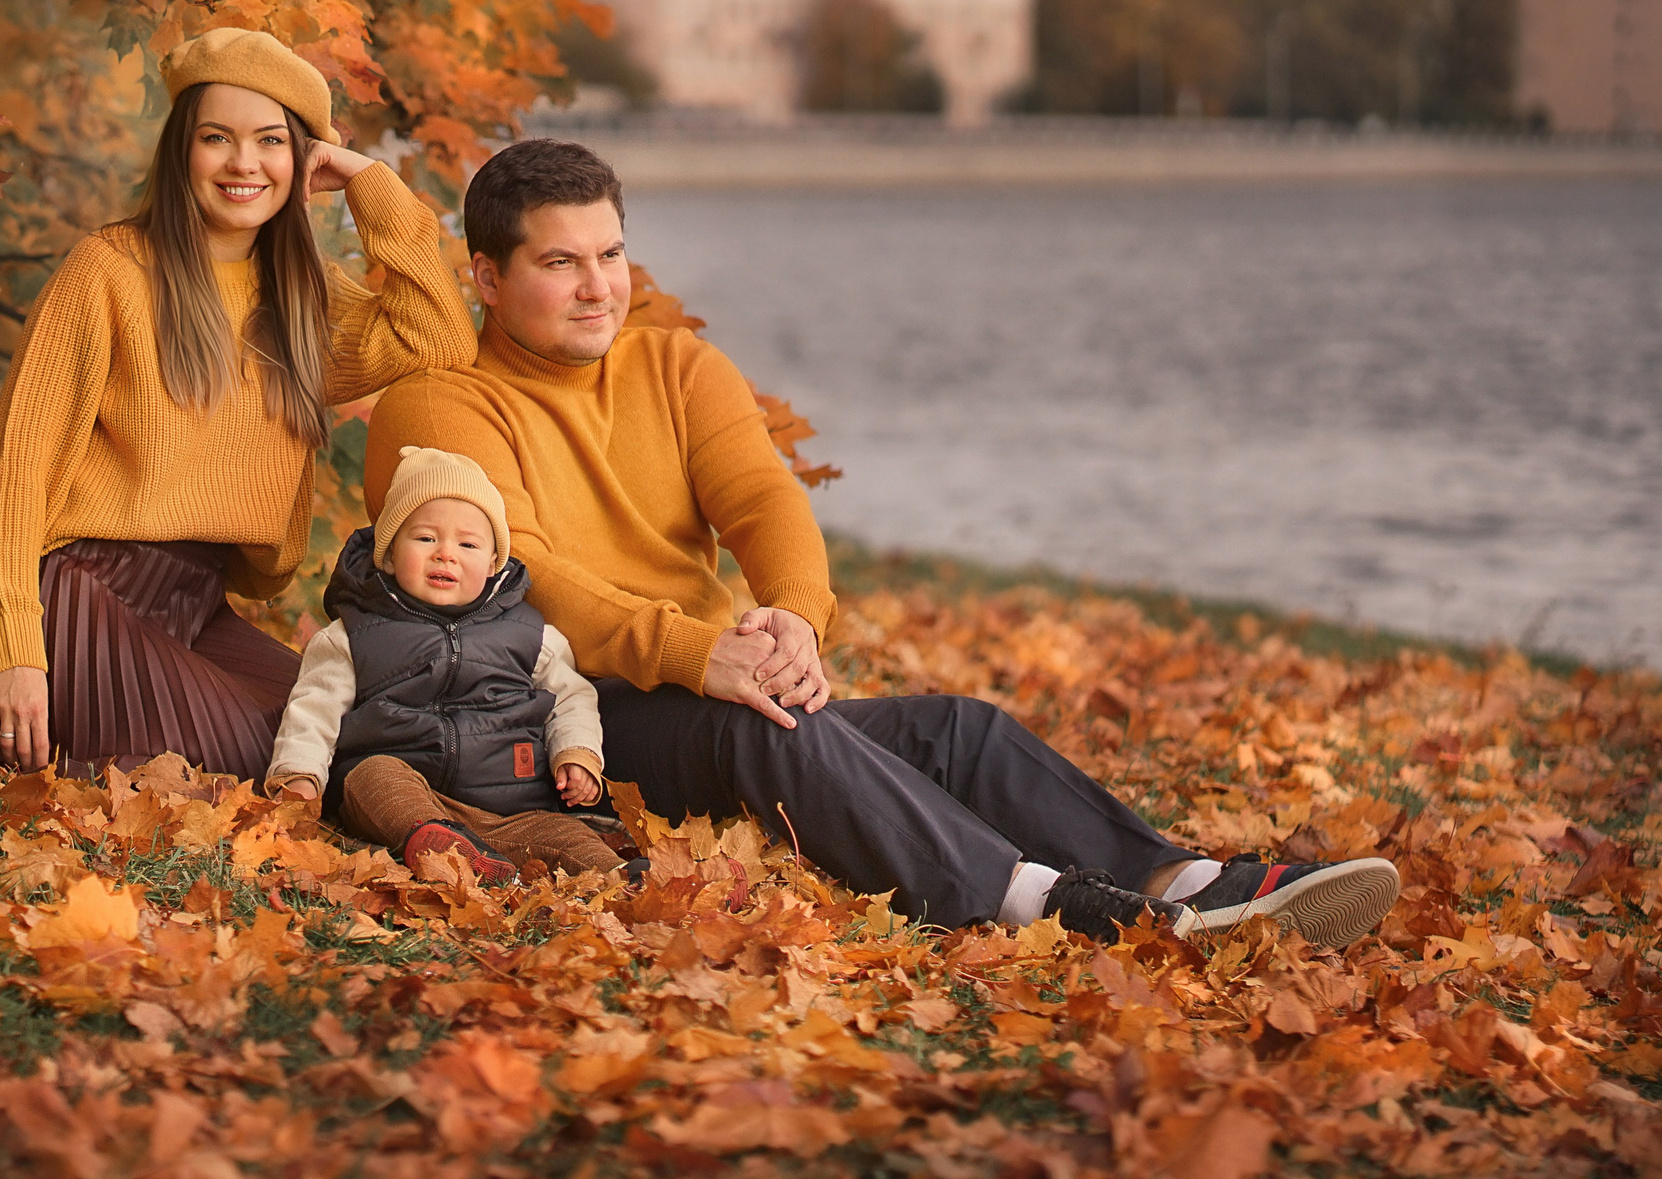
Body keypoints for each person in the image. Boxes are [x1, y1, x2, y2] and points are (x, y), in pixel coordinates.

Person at [364, 139, 1403, 948]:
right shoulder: (440, 404)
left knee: (959, 730)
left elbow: (765, 503)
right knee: (761, 729)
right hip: (549, 729)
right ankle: (1035, 902)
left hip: (693, 691)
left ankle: (1187, 882)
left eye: (610, 254)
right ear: (487, 277)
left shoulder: (676, 369)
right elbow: (525, 576)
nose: (598, 286)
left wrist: (794, 621)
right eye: (559, 262)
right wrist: (700, 654)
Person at [0, 29, 476, 781]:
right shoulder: (108, 271)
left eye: (271, 141)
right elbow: (18, 469)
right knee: (260, 757)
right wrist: (15, 650)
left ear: (301, 160)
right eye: (217, 138)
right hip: (71, 595)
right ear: (182, 152)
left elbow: (439, 336)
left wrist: (369, 179)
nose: (244, 163)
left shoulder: (304, 301)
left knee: (343, 727)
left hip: (190, 607)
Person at [264, 446, 628, 884]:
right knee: (372, 776)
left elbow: (571, 697)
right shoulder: (353, 636)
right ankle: (443, 846)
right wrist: (298, 777)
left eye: (468, 543)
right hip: (407, 796)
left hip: (513, 808)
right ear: (390, 555)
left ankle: (624, 879)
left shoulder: (530, 635)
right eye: (424, 538)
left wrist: (577, 753)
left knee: (567, 837)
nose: (445, 554)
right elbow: (313, 709)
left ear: (494, 565)